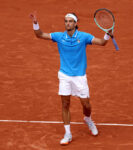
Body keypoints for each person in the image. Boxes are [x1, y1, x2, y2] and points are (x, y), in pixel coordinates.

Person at [30, 12, 111, 145]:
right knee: (65, 104)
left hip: (80, 77)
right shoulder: (59, 36)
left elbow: (102, 43)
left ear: (75, 23)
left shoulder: (84, 36)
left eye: (70, 21)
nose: (68, 23)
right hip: (64, 76)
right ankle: (67, 133)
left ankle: (88, 119)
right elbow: (39, 35)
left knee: (86, 104)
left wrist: (107, 34)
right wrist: (35, 23)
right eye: (66, 21)